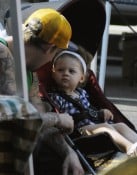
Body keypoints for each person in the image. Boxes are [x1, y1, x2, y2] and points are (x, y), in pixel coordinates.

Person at [0, 8, 84, 175]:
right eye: (56, 54)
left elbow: (39, 121)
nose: (51, 61)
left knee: (58, 159)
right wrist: (57, 119)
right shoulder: (2, 54)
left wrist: (69, 153)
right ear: (50, 48)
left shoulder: (30, 72)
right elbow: (16, 120)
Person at [48, 50, 137, 157]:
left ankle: (135, 143)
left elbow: (89, 109)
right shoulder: (55, 97)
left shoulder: (82, 93)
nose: (65, 73)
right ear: (53, 74)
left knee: (121, 125)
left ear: (81, 78)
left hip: (92, 125)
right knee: (105, 128)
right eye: (60, 70)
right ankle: (129, 148)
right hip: (77, 131)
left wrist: (100, 112)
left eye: (71, 71)